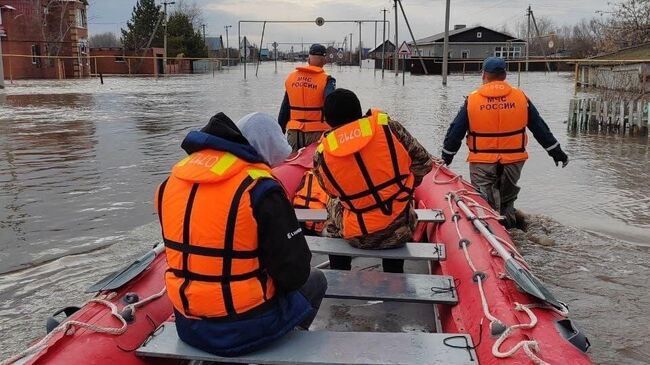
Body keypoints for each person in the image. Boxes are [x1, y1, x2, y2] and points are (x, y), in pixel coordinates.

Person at [154, 112, 327, 357]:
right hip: (247, 328)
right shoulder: (260, 187)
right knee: (316, 280)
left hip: (189, 325)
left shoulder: (171, 182)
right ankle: (285, 349)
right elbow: (295, 272)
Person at [313, 89, 433, 273]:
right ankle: (394, 270)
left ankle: (339, 269)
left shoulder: (322, 153)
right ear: (359, 112)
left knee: (333, 203)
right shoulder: (388, 127)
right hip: (399, 228)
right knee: (397, 199)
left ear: (327, 120)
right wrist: (405, 189)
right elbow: (424, 163)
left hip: (356, 234)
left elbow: (330, 190)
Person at [441, 57, 569, 228]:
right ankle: (510, 232)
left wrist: (446, 158)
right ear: (504, 75)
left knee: (484, 202)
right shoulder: (520, 97)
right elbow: (540, 128)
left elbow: (455, 131)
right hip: (513, 161)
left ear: (484, 75)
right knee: (507, 201)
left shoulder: (472, 100)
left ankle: (491, 238)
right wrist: (556, 152)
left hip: (482, 162)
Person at [278, 43, 336, 151]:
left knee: (293, 164)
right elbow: (331, 106)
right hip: (317, 134)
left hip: (294, 135)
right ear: (324, 60)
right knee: (317, 166)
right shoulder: (327, 80)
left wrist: (280, 132)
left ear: (308, 59)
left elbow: (284, 109)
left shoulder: (291, 78)